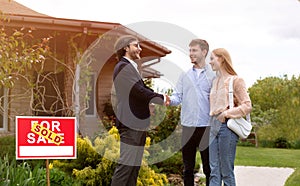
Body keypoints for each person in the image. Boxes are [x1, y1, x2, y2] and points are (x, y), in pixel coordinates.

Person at [111, 35, 169, 186]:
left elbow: (142, 89)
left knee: (133, 168)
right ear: (126, 47)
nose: (140, 49)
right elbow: (138, 91)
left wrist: (159, 97)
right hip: (130, 123)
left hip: (137, 123)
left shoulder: (131, 67)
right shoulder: (123, 67)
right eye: (136, 45)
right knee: (126, 167)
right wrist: (160, 98)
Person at [168, 39, 215, 186]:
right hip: (188, 127)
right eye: (190, 50)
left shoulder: (214, 75)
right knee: (188, 168)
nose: (190, 54)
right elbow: (177, 97)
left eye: (194, 50)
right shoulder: (184, 75)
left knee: (209, 168)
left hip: (207, 127)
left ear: (204, 52)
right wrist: (166, 99)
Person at [208, 48, 252, 186]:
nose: (209, 62)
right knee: (214, 171)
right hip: (212, 126)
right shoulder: (214, 81)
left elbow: (247, 106)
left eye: (212, 59)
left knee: (226, 170)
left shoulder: (236, 80)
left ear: (221, 59)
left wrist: (226, 113)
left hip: (226, 126)